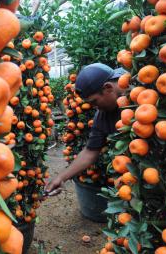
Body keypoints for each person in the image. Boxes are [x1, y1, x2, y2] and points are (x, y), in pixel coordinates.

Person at [45, 63, 127, 196]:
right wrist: (61, 177)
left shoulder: (143, 90)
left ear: (108, 88)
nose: (96, 108)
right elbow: (90, 151)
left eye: (95, 102)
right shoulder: (102, 115)